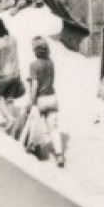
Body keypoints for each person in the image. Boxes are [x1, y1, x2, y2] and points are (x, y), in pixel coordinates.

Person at [23, 38, 65, 166]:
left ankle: (33, 148)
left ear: (35, 51)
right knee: (54, 128)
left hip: (40, 99)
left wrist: (31, 102)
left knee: (34, 124)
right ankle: (59, 155)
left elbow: (35, 86)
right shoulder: (50, 63)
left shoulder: (34, 65)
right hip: (52, 98)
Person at [0, 17, 24, 134]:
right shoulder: (12, 39)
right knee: (9, 99)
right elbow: (15, 58)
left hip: (3, 75)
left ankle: (9, 118)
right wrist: (18, 74)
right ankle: (12, 127)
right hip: (14, 74)